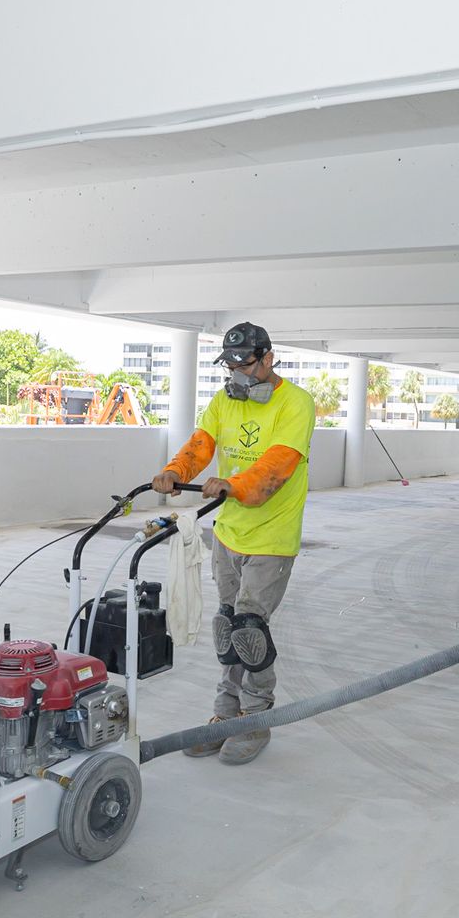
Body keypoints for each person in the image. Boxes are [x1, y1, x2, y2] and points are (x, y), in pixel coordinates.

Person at [150, 323, 316, 765]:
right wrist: (175, 469)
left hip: (272, 536)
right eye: (231, 365)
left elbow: (274, 471)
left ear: (268, 358)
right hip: (229, 533)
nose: (238, 374)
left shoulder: (296, 403)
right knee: (228, 626)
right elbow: (202, 444)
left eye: (246, 364)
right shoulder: (225, 400)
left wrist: (232, 484)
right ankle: (225, 715)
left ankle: (256, 718)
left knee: (250, 629)